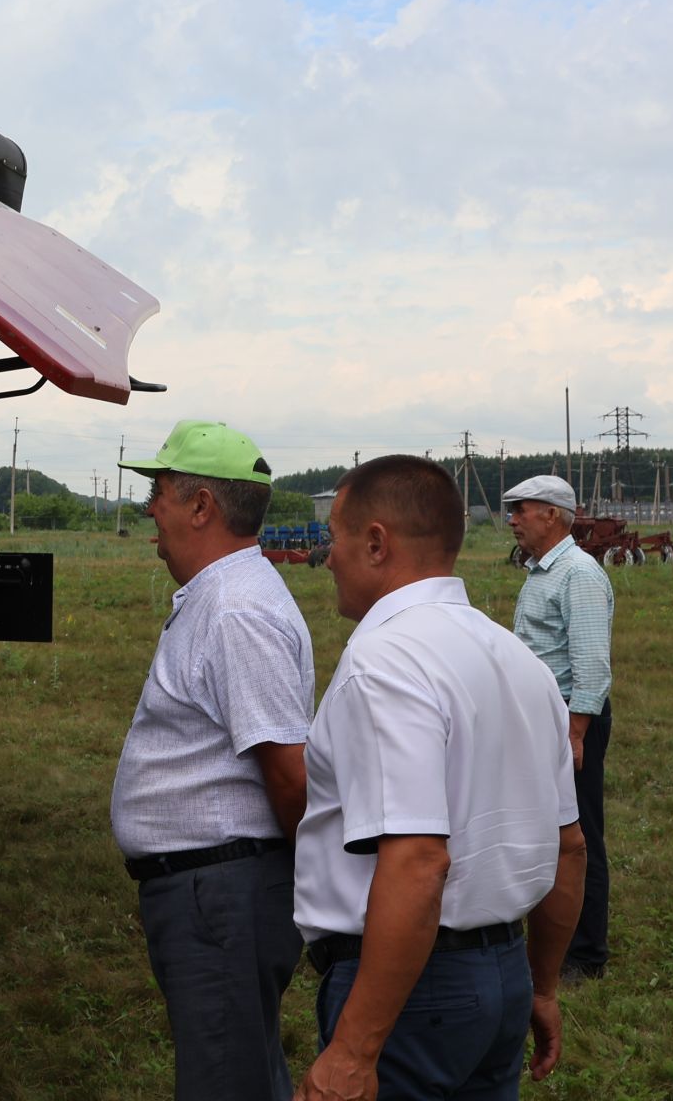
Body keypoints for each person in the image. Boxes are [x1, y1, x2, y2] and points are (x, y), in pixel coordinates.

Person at [295, 455, 586, 1101]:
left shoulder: (386, 664)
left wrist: (353, 1050)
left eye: (332, 541)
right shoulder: (520, 662)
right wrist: (539, 986)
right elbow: (569, 847)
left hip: (413, 994)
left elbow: (420, 861)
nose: (327, 560)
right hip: (502, 977)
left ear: (375, 543)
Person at [112, 420, 316, 1101]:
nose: (151, 508)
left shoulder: (235, 610)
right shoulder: (225, 597)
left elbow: (289, 774)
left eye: (159, 490)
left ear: (202, 507)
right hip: (214, 892)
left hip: (220, 895)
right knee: (241, 1071)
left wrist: (312, 885)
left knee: (226, 1082)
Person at [502, 473, 614, 981]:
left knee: (578, 832)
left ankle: (586, 954)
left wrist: (575, 732)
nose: (512, 519)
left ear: (551, 514)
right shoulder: (542, 571)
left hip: (570, 717)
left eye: (520, 509)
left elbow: (591, 664)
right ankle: (552, 934)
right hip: (544, 716)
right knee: (545, 827)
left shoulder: (578, 574)